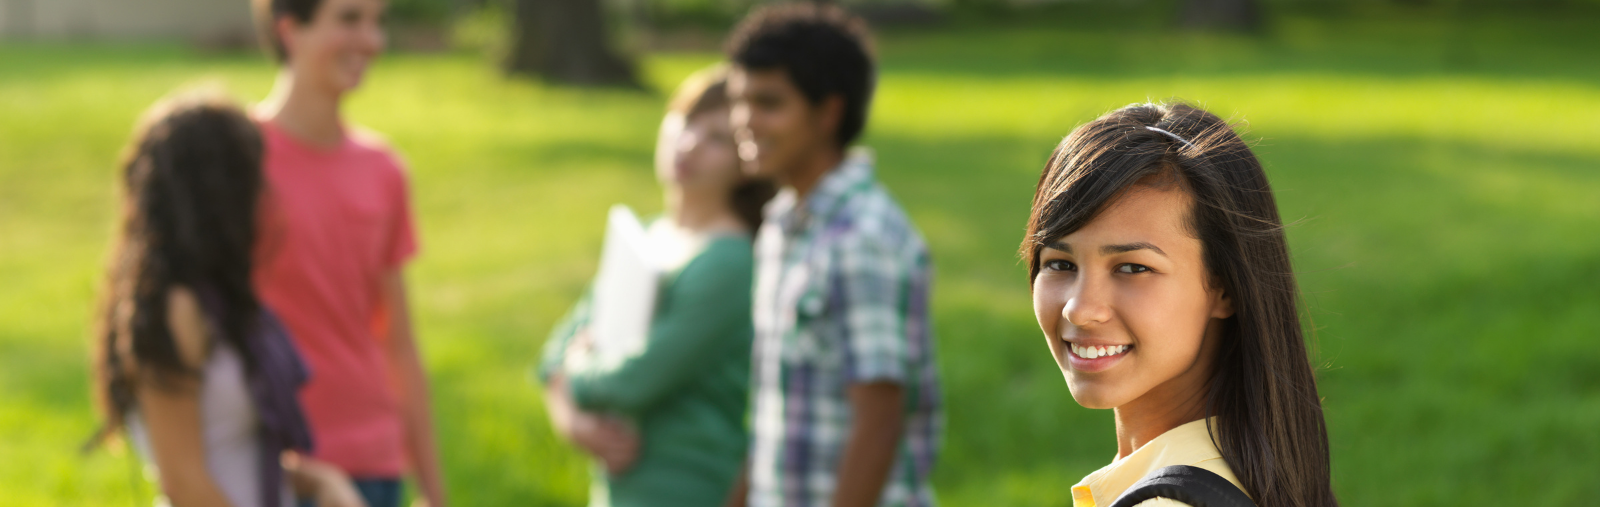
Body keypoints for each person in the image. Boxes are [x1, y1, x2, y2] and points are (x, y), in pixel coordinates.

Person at [1021, 102, 1339, 507]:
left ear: (1225, 288)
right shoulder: (1259, 467)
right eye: (1060, 264)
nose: (1080, 309)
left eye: (1133, 268)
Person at [87, 90, 365, 507]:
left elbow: (234, 453)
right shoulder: (175, 308)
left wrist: (324, 480)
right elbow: (183, 482)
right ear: (215, 195)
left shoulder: (213, 300)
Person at [723, 4, 943, 507]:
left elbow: (879, 421)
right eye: (738, 100)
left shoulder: (860, 237)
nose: (744, 120)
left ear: (828, 113)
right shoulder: (782, 223)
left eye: (768, 102)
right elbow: (774, 414)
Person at [536, 65, 776, 507]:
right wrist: (571, 421)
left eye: (717, 139)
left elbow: (633, 380)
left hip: (689, 484)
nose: (689, 144)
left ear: (747, 161)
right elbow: (557, 351)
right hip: (620, 488)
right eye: (684, 122)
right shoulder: (646, 235)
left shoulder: (731, 260)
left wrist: (578, 372)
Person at [249, 1, 445, 505]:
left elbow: (398, 341)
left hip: (374, 464)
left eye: (378, 22)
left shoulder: (384, 170)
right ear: (289, 28)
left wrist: (432, 487)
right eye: (350, 19)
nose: (373, 41)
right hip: (275, 460)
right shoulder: (239, 161)